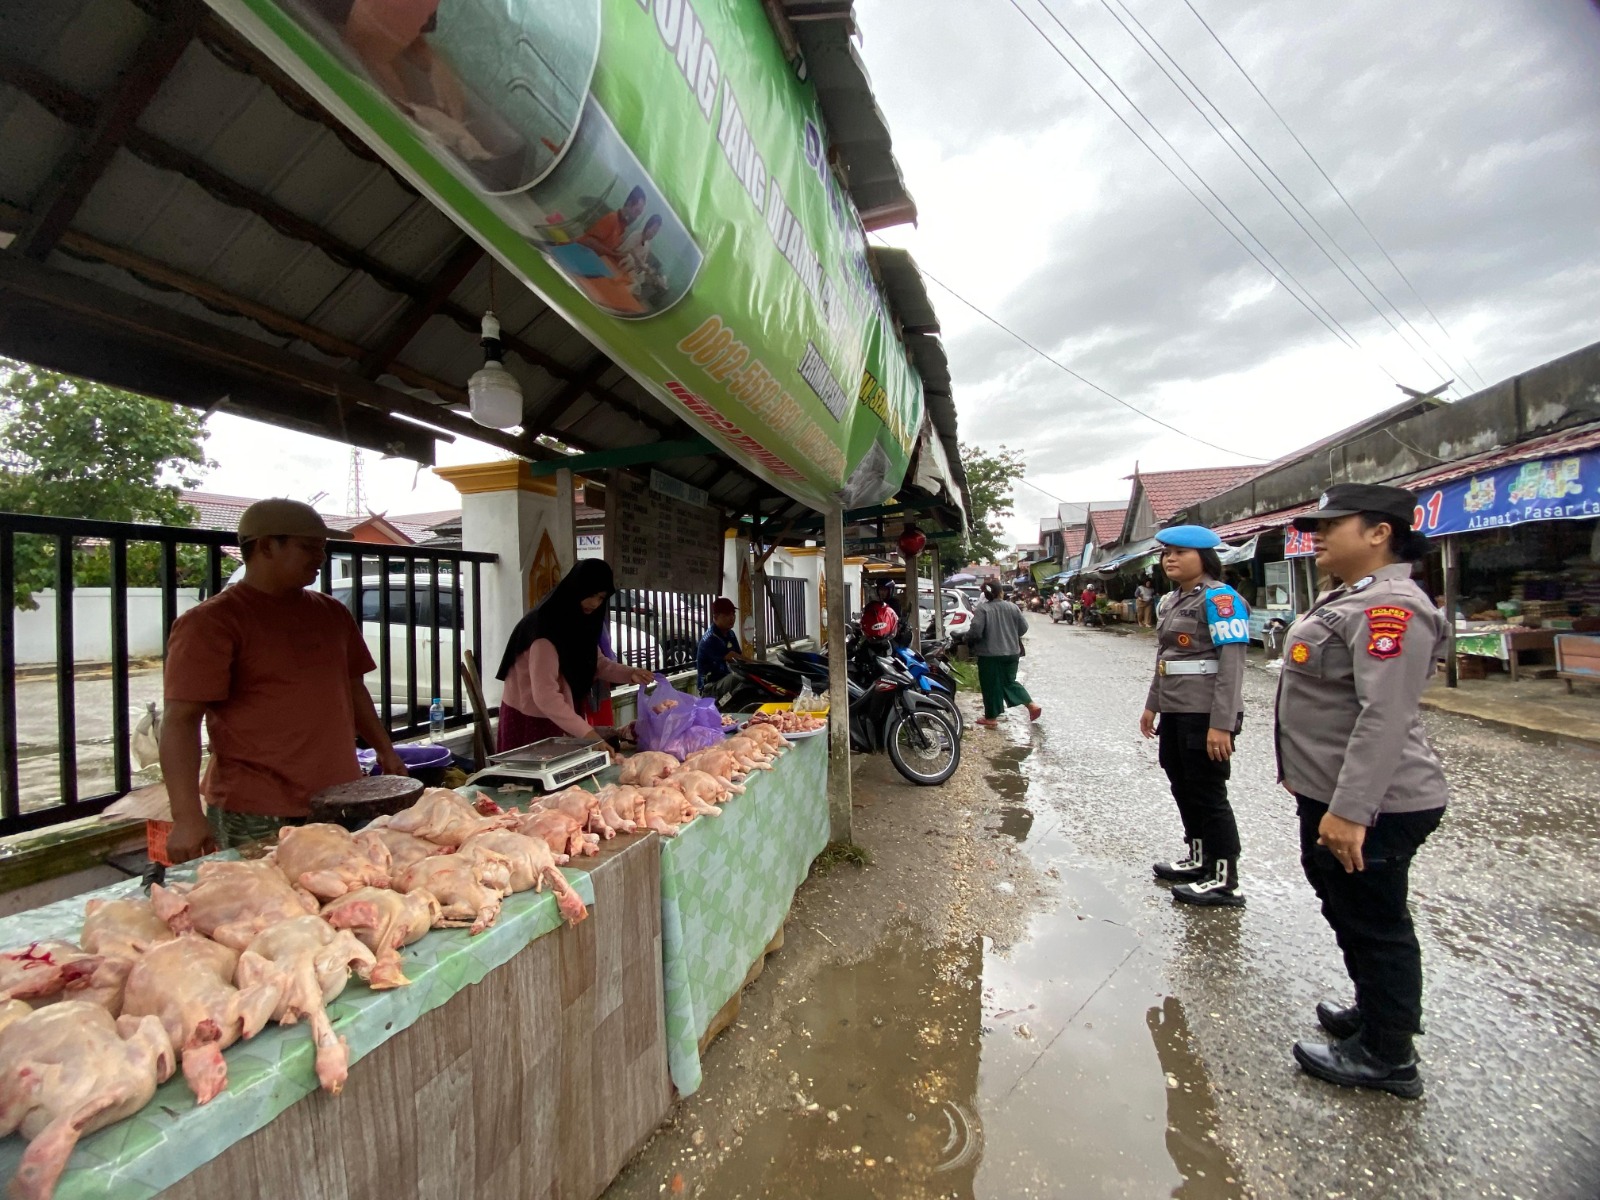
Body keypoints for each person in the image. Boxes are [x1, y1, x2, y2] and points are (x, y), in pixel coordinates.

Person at [1276, 483, 1448, 1099]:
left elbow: (1385, 716)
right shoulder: (1348, 596)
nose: (1319, 536)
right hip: (1336, 793)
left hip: (1376, 802)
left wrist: (1351, 811)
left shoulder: (1390, 608)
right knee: (1348, 907)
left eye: (1333, 525)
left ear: (1379, 533)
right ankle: (1375, 1012)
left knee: (1376, 922)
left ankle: (1388, 1055)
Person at [159, 499, 406, 861]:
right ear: (265, 546)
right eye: (308, 547)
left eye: (322, 547)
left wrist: (386, 751)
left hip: (341, 799)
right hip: (256, 810)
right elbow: (180, 721)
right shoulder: (211, 623)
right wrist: (186, 817)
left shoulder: (331, 613)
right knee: (265, 897)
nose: (320, 557)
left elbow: (353, 690)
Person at [1139, 526, 1250, 907]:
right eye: (1166, 553)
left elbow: (1231, 666)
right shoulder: (1173, 600)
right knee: (1181, 784)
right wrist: (1152, 704)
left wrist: (1222, 723)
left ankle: (1224, 878)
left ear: (1204, 557)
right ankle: (1199, 858)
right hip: (1176, 709)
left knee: (1207, 793)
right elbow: (1166, 659)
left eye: (1180, 552)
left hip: (1205, 712)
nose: (1170, 559)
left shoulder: (1221, 599)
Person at [494, 559, 654, 754]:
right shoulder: (545, 632)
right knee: (533, 773)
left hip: (559, 714)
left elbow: (597, 663)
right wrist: (589, 735)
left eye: (601, 598)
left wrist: (630, 673)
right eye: (590, 594)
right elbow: (546, 696)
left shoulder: (578, 623)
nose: (595, 603)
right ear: (576, 588)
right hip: (531, 719)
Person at [968, 579, 1041, 728]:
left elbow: (975, 632)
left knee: (990, 685)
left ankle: (991, 718)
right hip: (1012, 653)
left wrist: (966, 639)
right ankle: (1031, 705)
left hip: (990, 654)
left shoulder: (983, 609)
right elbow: (1023, 628)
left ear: (986, 594)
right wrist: (1010, 634)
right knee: (1009, 682)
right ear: (1001, 592)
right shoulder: (1013, 607)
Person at [579, 186, 647, 260]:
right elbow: (589, 241)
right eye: (636, 211)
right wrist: (613, 254)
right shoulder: (612, 218)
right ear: (629, 204)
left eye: (639, 214)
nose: (636, 216)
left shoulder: (621, 226)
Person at [696, 598, 742, 696]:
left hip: (725, 682)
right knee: (737, 678)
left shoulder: (731, 634)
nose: (732, 618)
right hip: (710, 687)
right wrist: (756, 663)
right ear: (715, 617)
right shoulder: (710, 638)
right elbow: (732, 656)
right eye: (727, 615)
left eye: (733, 614)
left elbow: (739, 657)